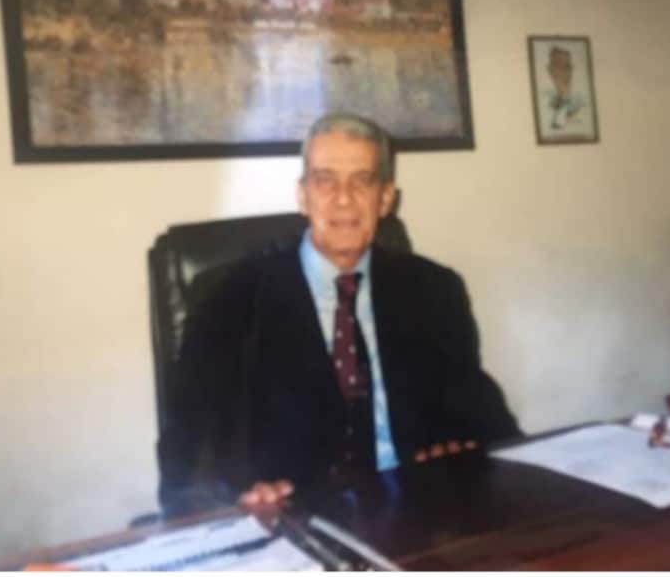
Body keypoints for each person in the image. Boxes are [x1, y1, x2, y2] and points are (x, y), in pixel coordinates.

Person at [157, 113, 520, 513]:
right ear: (302, 196)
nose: (343, 198)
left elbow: (481, 411)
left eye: (362, 180)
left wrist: (463, 446)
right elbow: (186, 450)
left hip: (418, 511)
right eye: (325, 180)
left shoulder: (435, 289)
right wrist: (233, 498)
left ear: (386, 198)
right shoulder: (229, 297)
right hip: (296, 517)